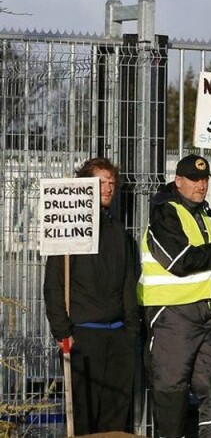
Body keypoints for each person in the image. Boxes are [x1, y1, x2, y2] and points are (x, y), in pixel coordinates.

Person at [139, 154, 211, 438]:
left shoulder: (203, 216)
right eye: (194, 180)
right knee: (171, 391)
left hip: (204, 314)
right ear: (178, 181)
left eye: (204, 180)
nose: (201, 185)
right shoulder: (165, 212)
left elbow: (202, 270)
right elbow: (180, 262)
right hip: (172, 316)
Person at [42, 157, 139, 435]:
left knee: (115, 416)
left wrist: (130, 332)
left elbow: (128, 286)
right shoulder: (68, 232)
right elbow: (53, 286)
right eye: (100, 182)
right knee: (83, 417)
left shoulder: (119, 234)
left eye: (111, 183)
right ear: (85, 186)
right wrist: (63, 332)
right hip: (83, 337)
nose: (108, 188)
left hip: (118, 337)